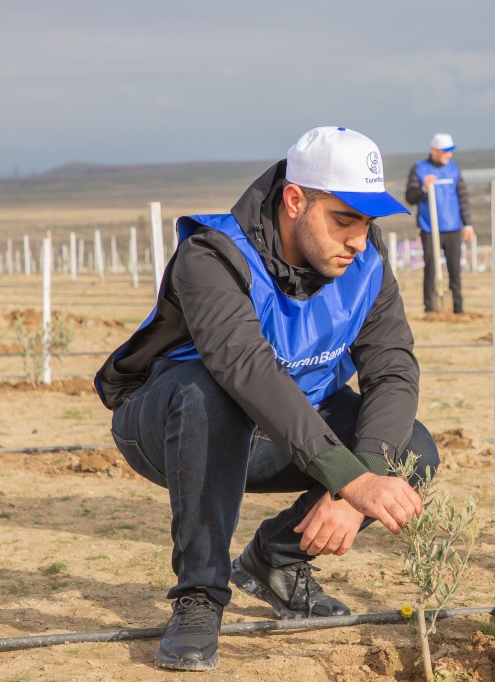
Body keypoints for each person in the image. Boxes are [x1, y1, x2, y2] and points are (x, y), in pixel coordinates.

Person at [95, 126, 437, 671]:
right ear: (295, 200)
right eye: (344, 220)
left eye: (367, 223)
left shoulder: (367, 265)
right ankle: (200, 598)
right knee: (211, 392)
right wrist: (349, 476)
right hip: (169, 423)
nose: (357, 240)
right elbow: (246, 370)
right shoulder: (211, 255)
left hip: (284, 434)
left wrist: (363, 477)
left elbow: (393, 370)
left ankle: (275, 559)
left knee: (411, 447)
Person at [404, 132, 474, 313]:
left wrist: (468, 224)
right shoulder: (419, 169)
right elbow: (410, 197)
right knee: (431, 269)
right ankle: (430, 308)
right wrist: (423, 188)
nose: (448, 155)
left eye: (450, 151)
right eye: (445, 151)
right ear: (434, 150)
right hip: (429, 228)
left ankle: (458, 308)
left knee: (455, 270)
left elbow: (463, 197)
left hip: (452, 227)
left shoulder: (454, 169)